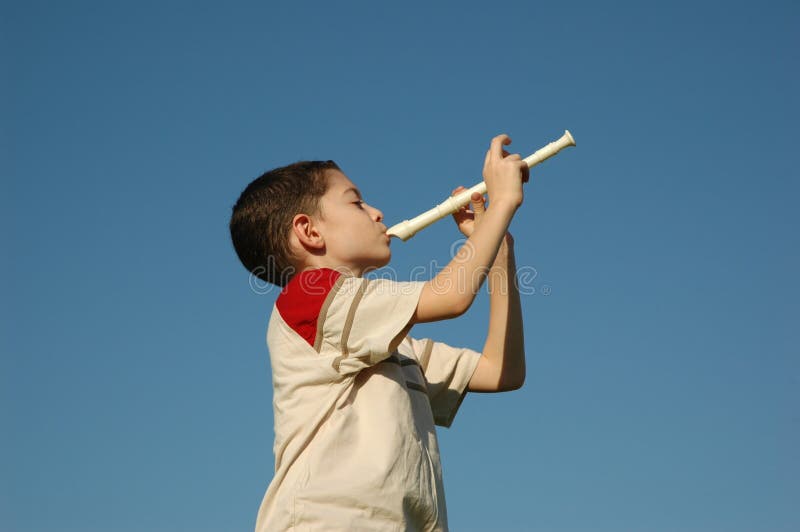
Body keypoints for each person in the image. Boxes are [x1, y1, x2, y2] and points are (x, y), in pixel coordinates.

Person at [229, 134, 529, 531]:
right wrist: (502, 203)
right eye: (356, 202)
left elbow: (501, 371)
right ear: (309, 231)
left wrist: (499, 253)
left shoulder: (393, 345)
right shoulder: (308, 297)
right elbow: (451, 297)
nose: (376, 212)